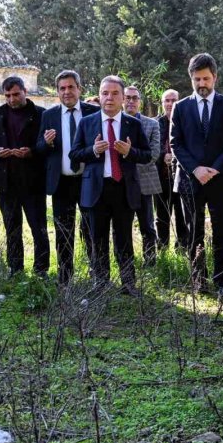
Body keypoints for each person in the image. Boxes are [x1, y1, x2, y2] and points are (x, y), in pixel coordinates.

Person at [70, 75, 151, 295]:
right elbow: (74, 154)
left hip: (124, 189)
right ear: (100, 95)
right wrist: (93, 150)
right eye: (105, 93)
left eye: (115, 93)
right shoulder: (87, 123)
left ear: (123, 97)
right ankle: (101, 282)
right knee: (98, 238)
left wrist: (129, 152)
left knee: (124, 238)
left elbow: (146, 155)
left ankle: (128, 283)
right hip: (97, 189)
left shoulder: (133, 124)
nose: (109, 98)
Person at [170, 53, 223, 296]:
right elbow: (175, 143)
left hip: (220, 180)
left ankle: (222, 282)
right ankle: (198, 280)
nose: (202, 84)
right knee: (193, 232)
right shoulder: (180, 108)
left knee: (222, 232)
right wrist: (196, 169)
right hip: (190, 181)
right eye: (197, 79)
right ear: (191, 79)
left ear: (215, 78)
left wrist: (215, 169)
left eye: (206, 79)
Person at [35, 70, 98, 285]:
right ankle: (65, 278)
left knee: (92, 229)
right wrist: (47, 142)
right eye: (62, 88)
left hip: (88, 181)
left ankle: (97, 274)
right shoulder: (49, 115)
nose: (67, 92)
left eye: (71, 87)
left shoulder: (93, 112)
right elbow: (39, 148)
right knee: (64, 233)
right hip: (61, 183)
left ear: (79, 89)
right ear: (57, 92)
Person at [0, 76, 49, 278]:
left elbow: (46, 145)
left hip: (33, 181)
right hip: (7, 182)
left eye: (15, 94)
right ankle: (15, 268)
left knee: (39, 228)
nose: (11, 99)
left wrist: (30, 152)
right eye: (7, 95)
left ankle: (41, 270)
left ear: (25, 92)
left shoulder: (40, 115)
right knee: (12, 228)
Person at [124, 85, 161, 266]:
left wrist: (129, 155)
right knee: (122, 226)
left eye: (134, 98)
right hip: (121, 182)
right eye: (127, 97)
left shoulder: (152, 124)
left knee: (147, 224)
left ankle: (150, 261)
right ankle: (126, 261)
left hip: (145, 181)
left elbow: (153, 154)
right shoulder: (115, 122)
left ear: (140, 101)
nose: (131, 101)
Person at [154, 89, 189, 252]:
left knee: (182, 215)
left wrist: (175, 158)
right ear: (162, 104)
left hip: (182, 177)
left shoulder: (185, 122)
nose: (170, 104)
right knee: (161, 216)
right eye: (166, 100)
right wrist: (163, 156)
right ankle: (162, 249)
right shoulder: (155, 123)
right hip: (161, 178)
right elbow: (150, 148)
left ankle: (182, 249)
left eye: (173, 100)